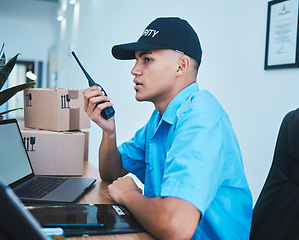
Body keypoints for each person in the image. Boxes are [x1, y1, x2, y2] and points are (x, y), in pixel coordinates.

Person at [83, 17, 253, 240]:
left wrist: (129, 195)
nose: (134, 70)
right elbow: (111, 173)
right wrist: (109, 132)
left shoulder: (201, 120)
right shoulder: (160, 118)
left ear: (181, 66)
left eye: (147, 59)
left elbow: (175, 226)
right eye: (136, 60)